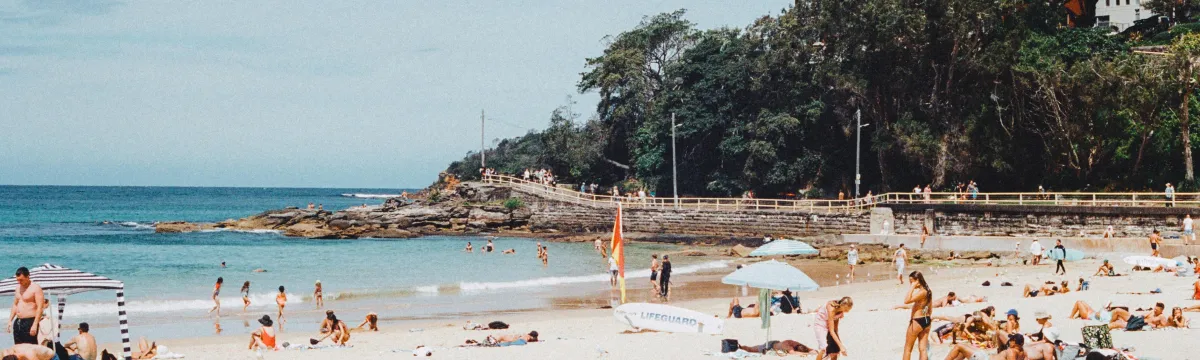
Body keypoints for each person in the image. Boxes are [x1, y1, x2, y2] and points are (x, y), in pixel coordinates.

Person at [8, 267, 44, 345]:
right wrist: (10, 320)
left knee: (30, 348)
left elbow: (40, 307)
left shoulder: (35, 288)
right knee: (18, 347)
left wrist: (35, 324)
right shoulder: (18, 288)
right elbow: (15, 304)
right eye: (17, 280)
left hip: (30, 321)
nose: (19, 282)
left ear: (28, 276)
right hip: (18, 321)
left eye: (21, 280)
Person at [903, 271, 932, 360]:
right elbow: (930, 308)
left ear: (918, 280)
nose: (910, 283)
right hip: (926, 321)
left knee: (908, 348)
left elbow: (906, 300)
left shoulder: (922, 292)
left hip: (917, 321)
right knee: (923, 349)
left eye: (911, 281)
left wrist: (912, 287)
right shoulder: (928, 291)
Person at [943, 333, 1025, 360]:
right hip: (985, 356)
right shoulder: (1022, 352)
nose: (1009, 342)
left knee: (959, 346)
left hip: (984, 358)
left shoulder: (1011, 351)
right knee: (965, 348)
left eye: (1010, 340)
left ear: (1014, 342)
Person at [737, 339, 815, 355]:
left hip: (776, 343)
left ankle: (741, 347)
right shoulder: (787, 346)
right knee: (753, 349)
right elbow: (793, 353)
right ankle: (740, 347)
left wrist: (813, 351)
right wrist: (806, 354)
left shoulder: (796, 344)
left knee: (754, 348)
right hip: (770, 346)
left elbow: (810, 349)